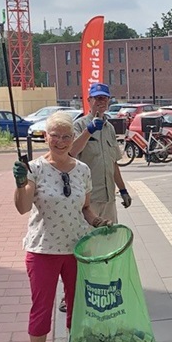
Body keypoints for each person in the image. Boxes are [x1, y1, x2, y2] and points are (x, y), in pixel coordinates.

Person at [13, 111, 112, 342]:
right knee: (41, 308)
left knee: (77, 305)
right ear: (46, 137)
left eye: (66, 135)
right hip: (43, 249)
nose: (60, 140)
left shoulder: (82, 169)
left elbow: (85, 208)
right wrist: (21, 184)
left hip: (76, 248)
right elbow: (22, 207)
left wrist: (97, 222)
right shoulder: (34, 168)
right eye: (54, 135)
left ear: (73, 138)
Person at [63, 83, 131, 313]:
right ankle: (71, 293)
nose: (101, 103)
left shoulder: (110, 128)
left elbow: (113, 163)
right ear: (89, 101)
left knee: (108, 243)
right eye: (97, 99)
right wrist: (90, 130)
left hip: (108, 196)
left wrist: (123, 190)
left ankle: (103, 286)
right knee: (84, 245)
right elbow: (70, 152)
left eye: (105, 99)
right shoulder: (80, 125)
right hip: (86, 201)